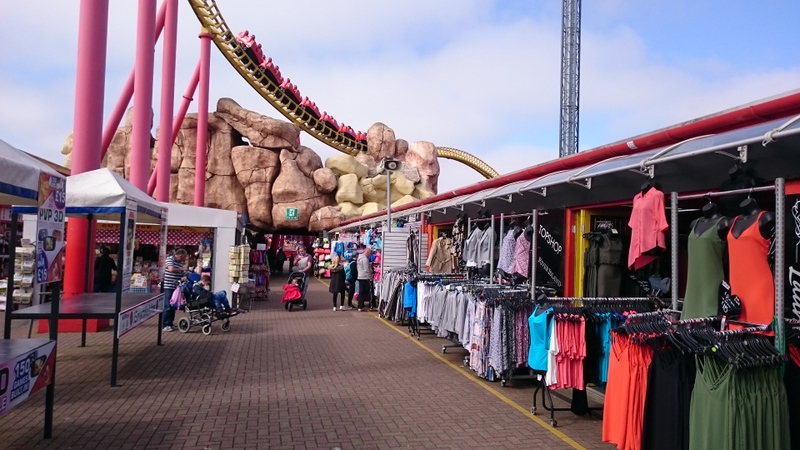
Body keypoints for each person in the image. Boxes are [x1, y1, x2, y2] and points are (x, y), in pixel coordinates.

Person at [162, 248, 188, 332]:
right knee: (168, 306)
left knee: (173, 305)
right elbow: (171, 269)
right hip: (168, 286)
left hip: (176, 287)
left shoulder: (180, 263)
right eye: (184, 257)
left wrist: (185, 275)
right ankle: (165, 325)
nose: (185, 259)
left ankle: (170, 323)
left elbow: (182, 273)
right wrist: (181, 269)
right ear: (180, 255)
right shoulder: (170, 259)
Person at [357, 247, 375, 311]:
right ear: (367, 252)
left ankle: (360, 306)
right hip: (366, 278)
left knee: (361, 292)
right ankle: (371, 306)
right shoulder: (365, 259)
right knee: (370, 292)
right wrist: (370, 277)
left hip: (360, 277)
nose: (370, 255)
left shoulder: (359, 259)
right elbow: (366, 269)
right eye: (370, 253)